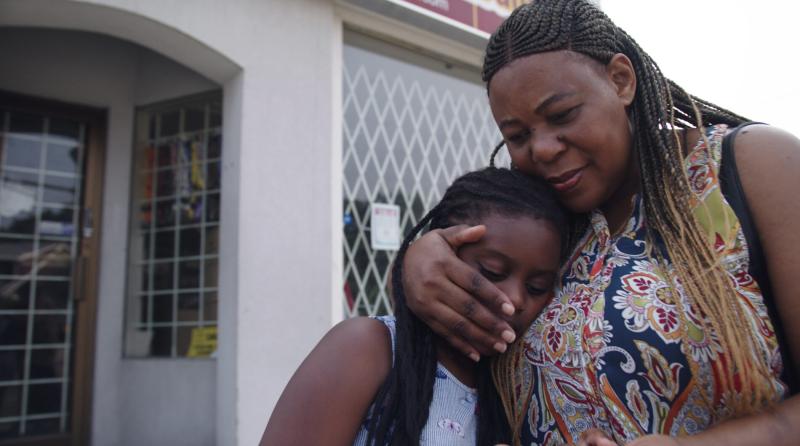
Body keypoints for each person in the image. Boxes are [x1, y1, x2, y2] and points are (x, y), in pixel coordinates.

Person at [401, 1, 800, 445]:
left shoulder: (747, 167)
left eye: (562, 114)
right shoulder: (541, 227)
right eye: (517, 136)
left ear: (621, 80)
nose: (544, 149)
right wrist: (418, 262)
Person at [260, 167, 570, 445]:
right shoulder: (369, 347)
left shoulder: (519, 384)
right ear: (444, 254)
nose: (514, 299)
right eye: (491, 271)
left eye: (536, 287)